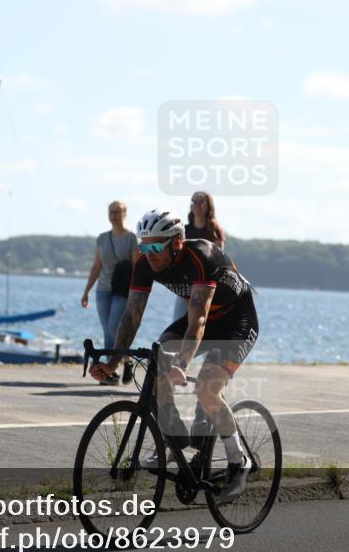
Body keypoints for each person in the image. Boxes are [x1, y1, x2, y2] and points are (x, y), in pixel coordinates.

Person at [89, 209, 258, 503]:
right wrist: (114, 362)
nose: (149, 254)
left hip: (236, 321)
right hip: (203, 318)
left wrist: (182, 364)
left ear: (177, 242)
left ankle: (238, 460)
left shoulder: (201, 257)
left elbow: (199, 320)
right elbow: (131, 315)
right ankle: (173, 438)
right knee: (157, 357)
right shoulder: (144, 263)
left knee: (206, 388)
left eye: (156, 246)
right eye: (144, 246)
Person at [81, 200, 138, 385]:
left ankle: (126, 359)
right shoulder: (103, 238)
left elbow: (136, 266)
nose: (114, 215)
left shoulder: (131, 238)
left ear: (124, 214)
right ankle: (110, 373)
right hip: (103, 288)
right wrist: (86, 291)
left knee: (115, 327)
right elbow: (97, 266)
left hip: (122, 289)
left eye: (117, 212)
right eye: (111, 212)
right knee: (107, 331)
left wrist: (137, 293)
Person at [173, 191, 226, 322]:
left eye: (201, 202)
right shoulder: (183, 230)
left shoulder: (215, 231)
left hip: (206, 285)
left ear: (209, 206)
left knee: (200, 323)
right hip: (185, 284)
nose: (197, 205)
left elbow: (219, 261)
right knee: (177, 322)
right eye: (194, 201)